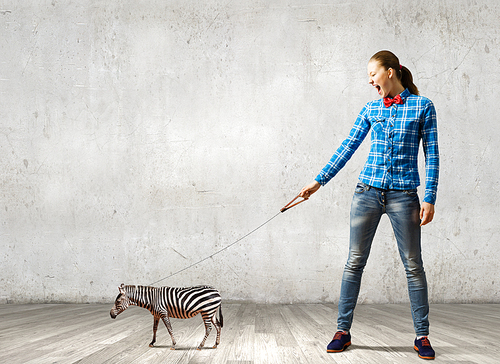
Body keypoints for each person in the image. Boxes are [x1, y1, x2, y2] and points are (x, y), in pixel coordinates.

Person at [299, 50, 439, 360]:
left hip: (405, 196)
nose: (370, 80)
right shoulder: (371, 108)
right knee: (354, 262)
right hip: (367, 193)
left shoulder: (423, 106)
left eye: (372, 74)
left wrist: (429, 197)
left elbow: (433, 155)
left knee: (413, 265)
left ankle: (422, 335)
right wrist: (318, 181)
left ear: (390, 71)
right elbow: (348, 147)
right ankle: (342, 331)